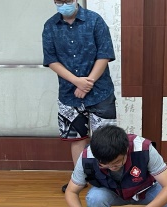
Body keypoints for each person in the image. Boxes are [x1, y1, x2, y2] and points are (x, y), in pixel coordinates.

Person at [42, 0, 118, 193]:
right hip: (69, 94)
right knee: (76, 139)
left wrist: (87, 83)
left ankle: (108, 179)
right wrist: (77, 81)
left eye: (67, 1)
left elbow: (104, 54)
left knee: (105, 139)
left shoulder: (95, 20)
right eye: (59, 2)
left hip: (100, 91)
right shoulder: (50, 25)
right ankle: (80, 179)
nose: (63, 5)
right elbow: (51, 60)